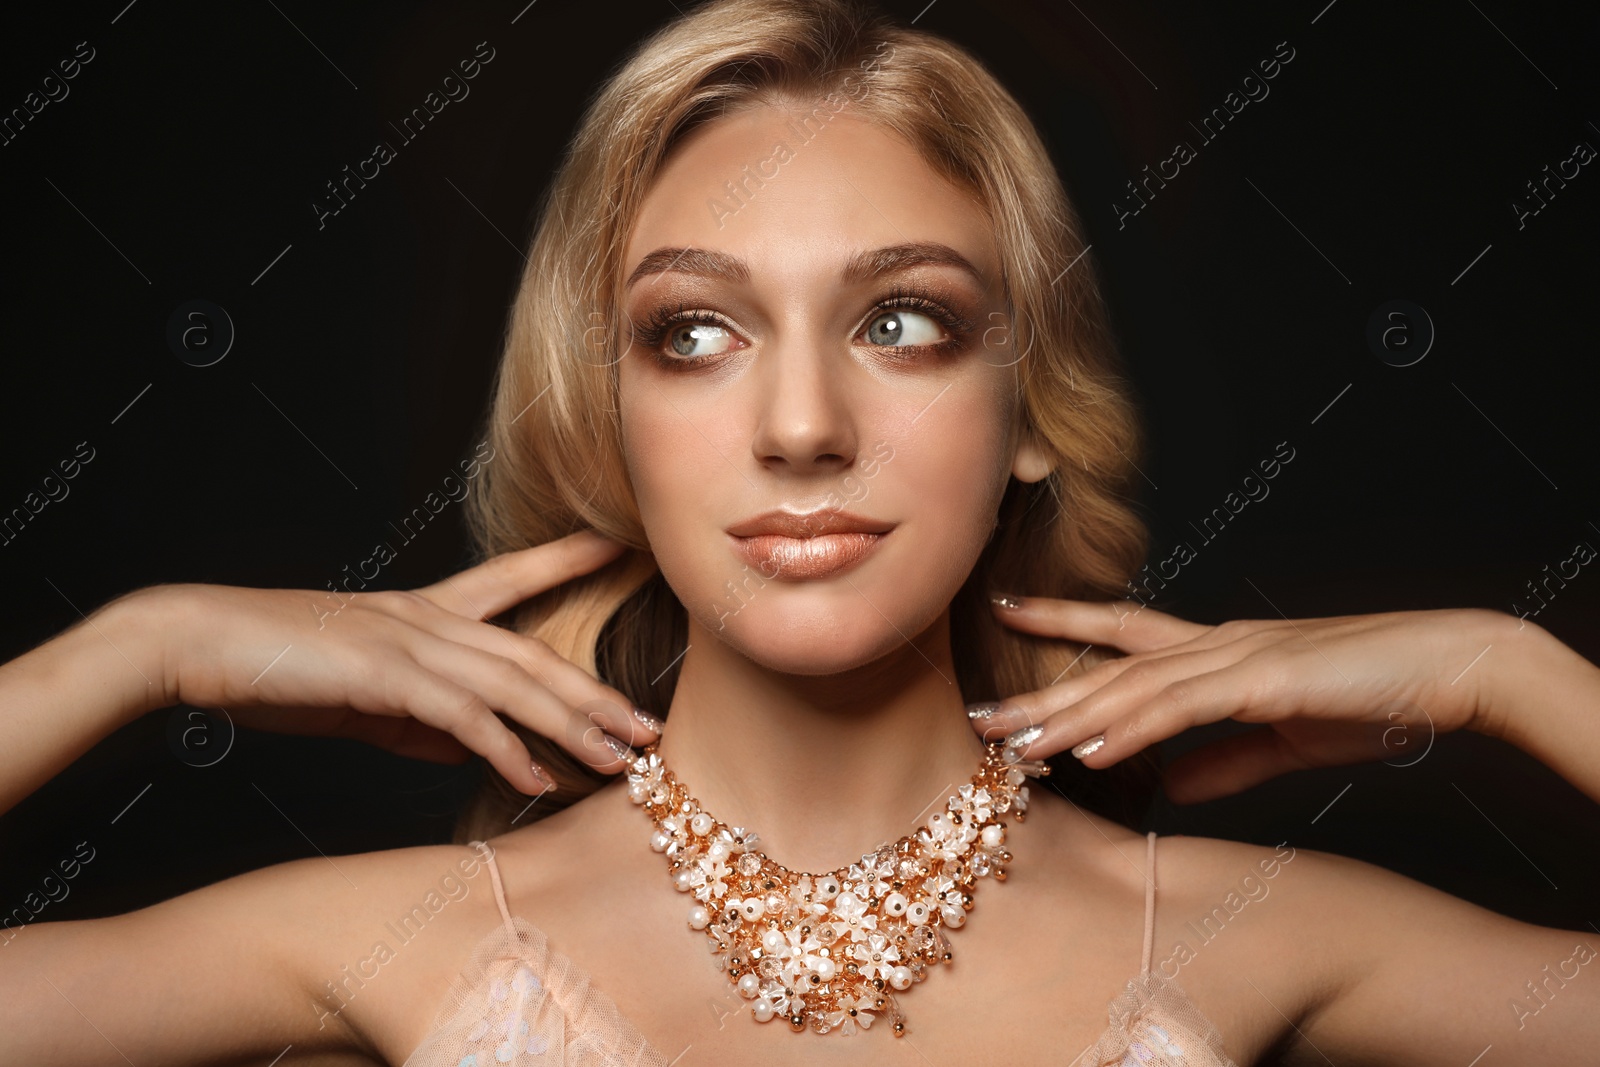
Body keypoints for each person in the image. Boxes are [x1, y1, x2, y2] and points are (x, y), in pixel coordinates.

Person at [4, 0, 1598, 1063]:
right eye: (694, 334)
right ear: (606, 416)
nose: (800, 428)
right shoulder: (407, 938)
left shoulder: (1237, 932)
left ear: (1031, 403)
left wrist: (1501, 670)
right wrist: (147, 650)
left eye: (904, 321)